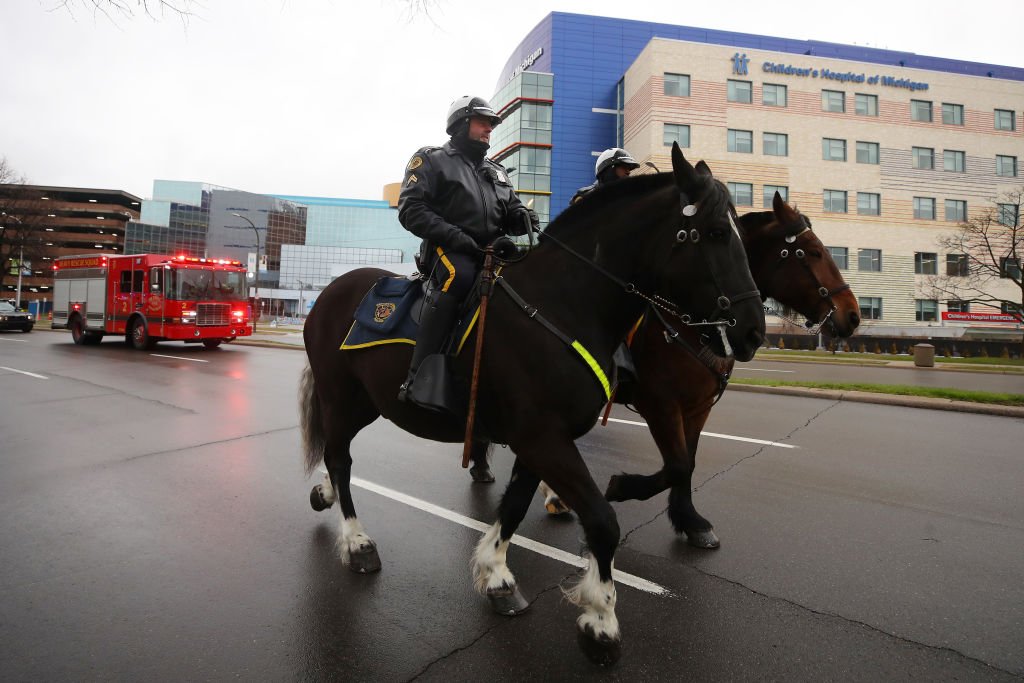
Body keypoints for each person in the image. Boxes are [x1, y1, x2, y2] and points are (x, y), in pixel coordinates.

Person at [397, 95, 538, 404]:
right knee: (458, 277)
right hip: (449, 249)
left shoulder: (497, 171)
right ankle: (418, 379)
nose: (489, 128)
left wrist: (521, 218)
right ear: (461, 124)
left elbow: (512, 210)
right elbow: (411, 209)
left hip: (493, 250)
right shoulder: (432, 159)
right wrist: (456, 237)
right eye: (482, 122)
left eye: (491, 124)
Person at [570, 147, 640, 205]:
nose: (628, 172)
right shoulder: (585, 198)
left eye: (629, 169)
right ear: (609, 169)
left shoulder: (631, 199)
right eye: (624, 167)